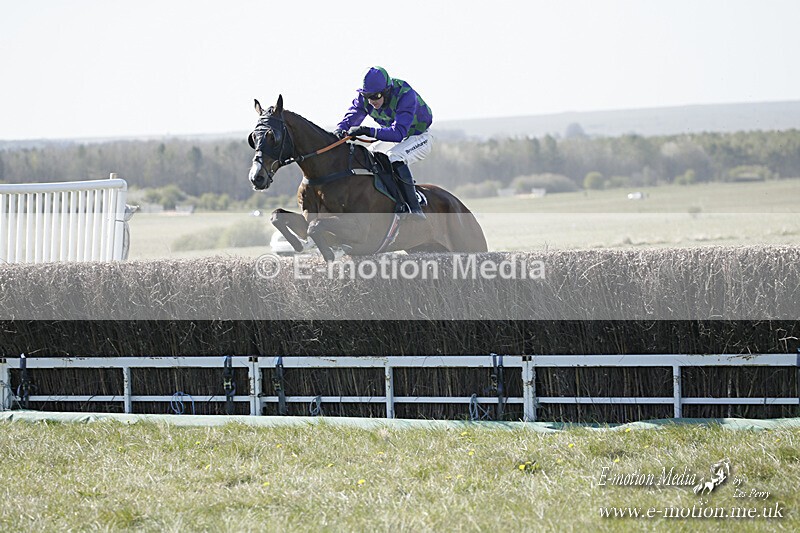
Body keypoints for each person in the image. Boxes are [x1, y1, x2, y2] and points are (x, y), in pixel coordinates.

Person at [334, 66, 432, 220]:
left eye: (377, 96)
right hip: (393, 136)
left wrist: (367, 130)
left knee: (394, 156)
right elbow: (354, 114)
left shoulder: (405, 94)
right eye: (368, 96)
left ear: (387, 91)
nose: (372, 101)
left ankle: (415, 209)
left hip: (419, 136)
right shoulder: (366, 99)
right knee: (370, 155)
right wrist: (341, 129)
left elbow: (398, 133)